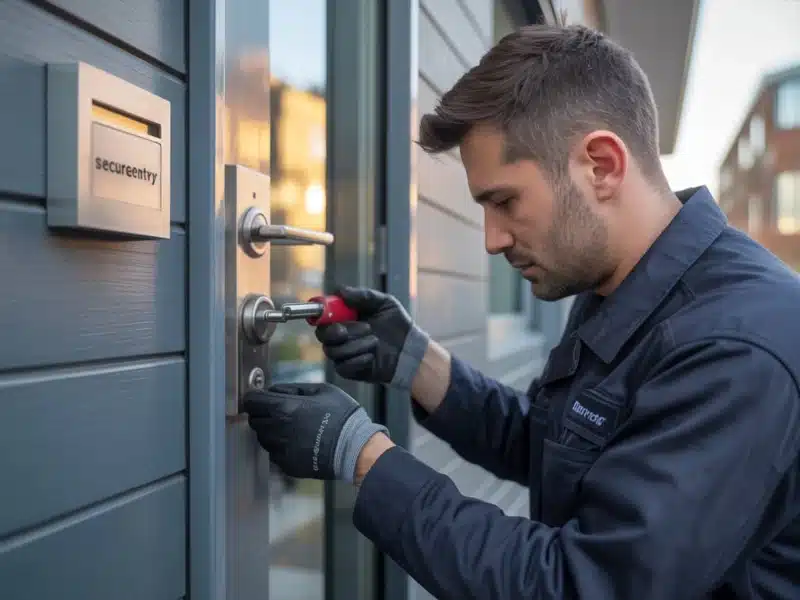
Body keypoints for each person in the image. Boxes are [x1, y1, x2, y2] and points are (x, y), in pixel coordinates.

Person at [242, 22, 800, 599]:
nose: (492, 239)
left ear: (602, 165)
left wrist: (361, 453)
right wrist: (416, 362)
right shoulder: (621, 286)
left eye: (504, 201)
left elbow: (581, 586)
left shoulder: (735, 347)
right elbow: (552, 447)